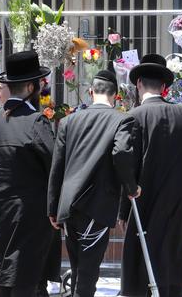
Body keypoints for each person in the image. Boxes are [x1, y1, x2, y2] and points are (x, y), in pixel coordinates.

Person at [47, 70, 141, 297]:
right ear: (116, 95)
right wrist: (131, 187)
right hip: (97, 205)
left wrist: (52, 207)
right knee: (88, 274)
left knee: (79, 267)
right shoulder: (122, 119)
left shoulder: (69, 121)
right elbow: (121, 153)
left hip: (68, 205)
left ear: (90, 92)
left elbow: (57, 165)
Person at [119, 54, 182, 297]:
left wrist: (124, 211)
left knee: (141, 260)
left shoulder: (133, 116)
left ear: (138, 84)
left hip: (142, 202)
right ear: (164, 87)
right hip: (175, 204)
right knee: (171, 257)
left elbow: (128, 167)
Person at [0, 51, 58, 297]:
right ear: (32, 86)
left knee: (8, 264)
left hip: (2, 207)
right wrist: (56, 208)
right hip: (34, 210)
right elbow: (55, 166)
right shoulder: (37, 122)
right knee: (30, 275)